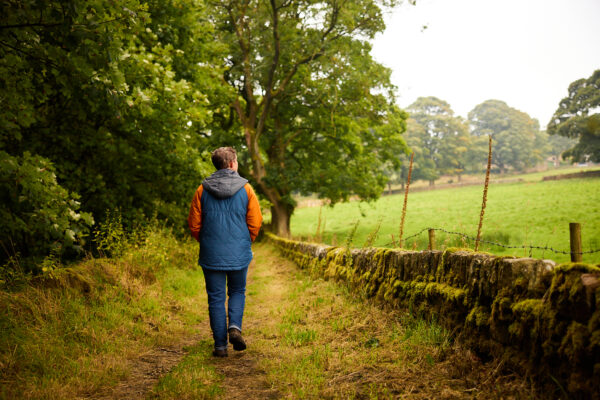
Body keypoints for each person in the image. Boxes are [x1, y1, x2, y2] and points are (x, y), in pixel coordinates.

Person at [188, 147, 262, 357]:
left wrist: (207, 242)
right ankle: (234, 328)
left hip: (211, 253)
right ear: (231, 164)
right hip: (239, 251)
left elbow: (194, 224)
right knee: (237, 291)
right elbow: (255, 222)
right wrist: (245, 241)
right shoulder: (246, 189)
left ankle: (220, 347)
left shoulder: (202, 190)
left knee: (216, 298)